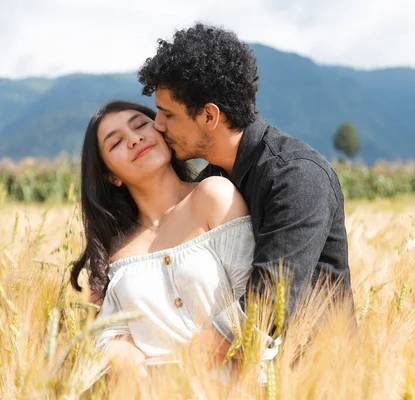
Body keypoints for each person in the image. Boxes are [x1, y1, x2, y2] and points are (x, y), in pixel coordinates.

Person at [137, 23, 356, 329]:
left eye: (168, 114)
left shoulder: (295, 176)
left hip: (312, 371)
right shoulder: (210, 182)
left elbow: (267, 308)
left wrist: (186, 361)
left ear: (210, 116)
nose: (157, 125)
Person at [70, 100, 278, 378]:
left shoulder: (213, 196)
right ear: (110, 175)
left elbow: (255, 305)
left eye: (141, 125)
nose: (134, 139)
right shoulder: (115, 253)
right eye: (116, 142)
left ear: (162, 132)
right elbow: (110, 340)